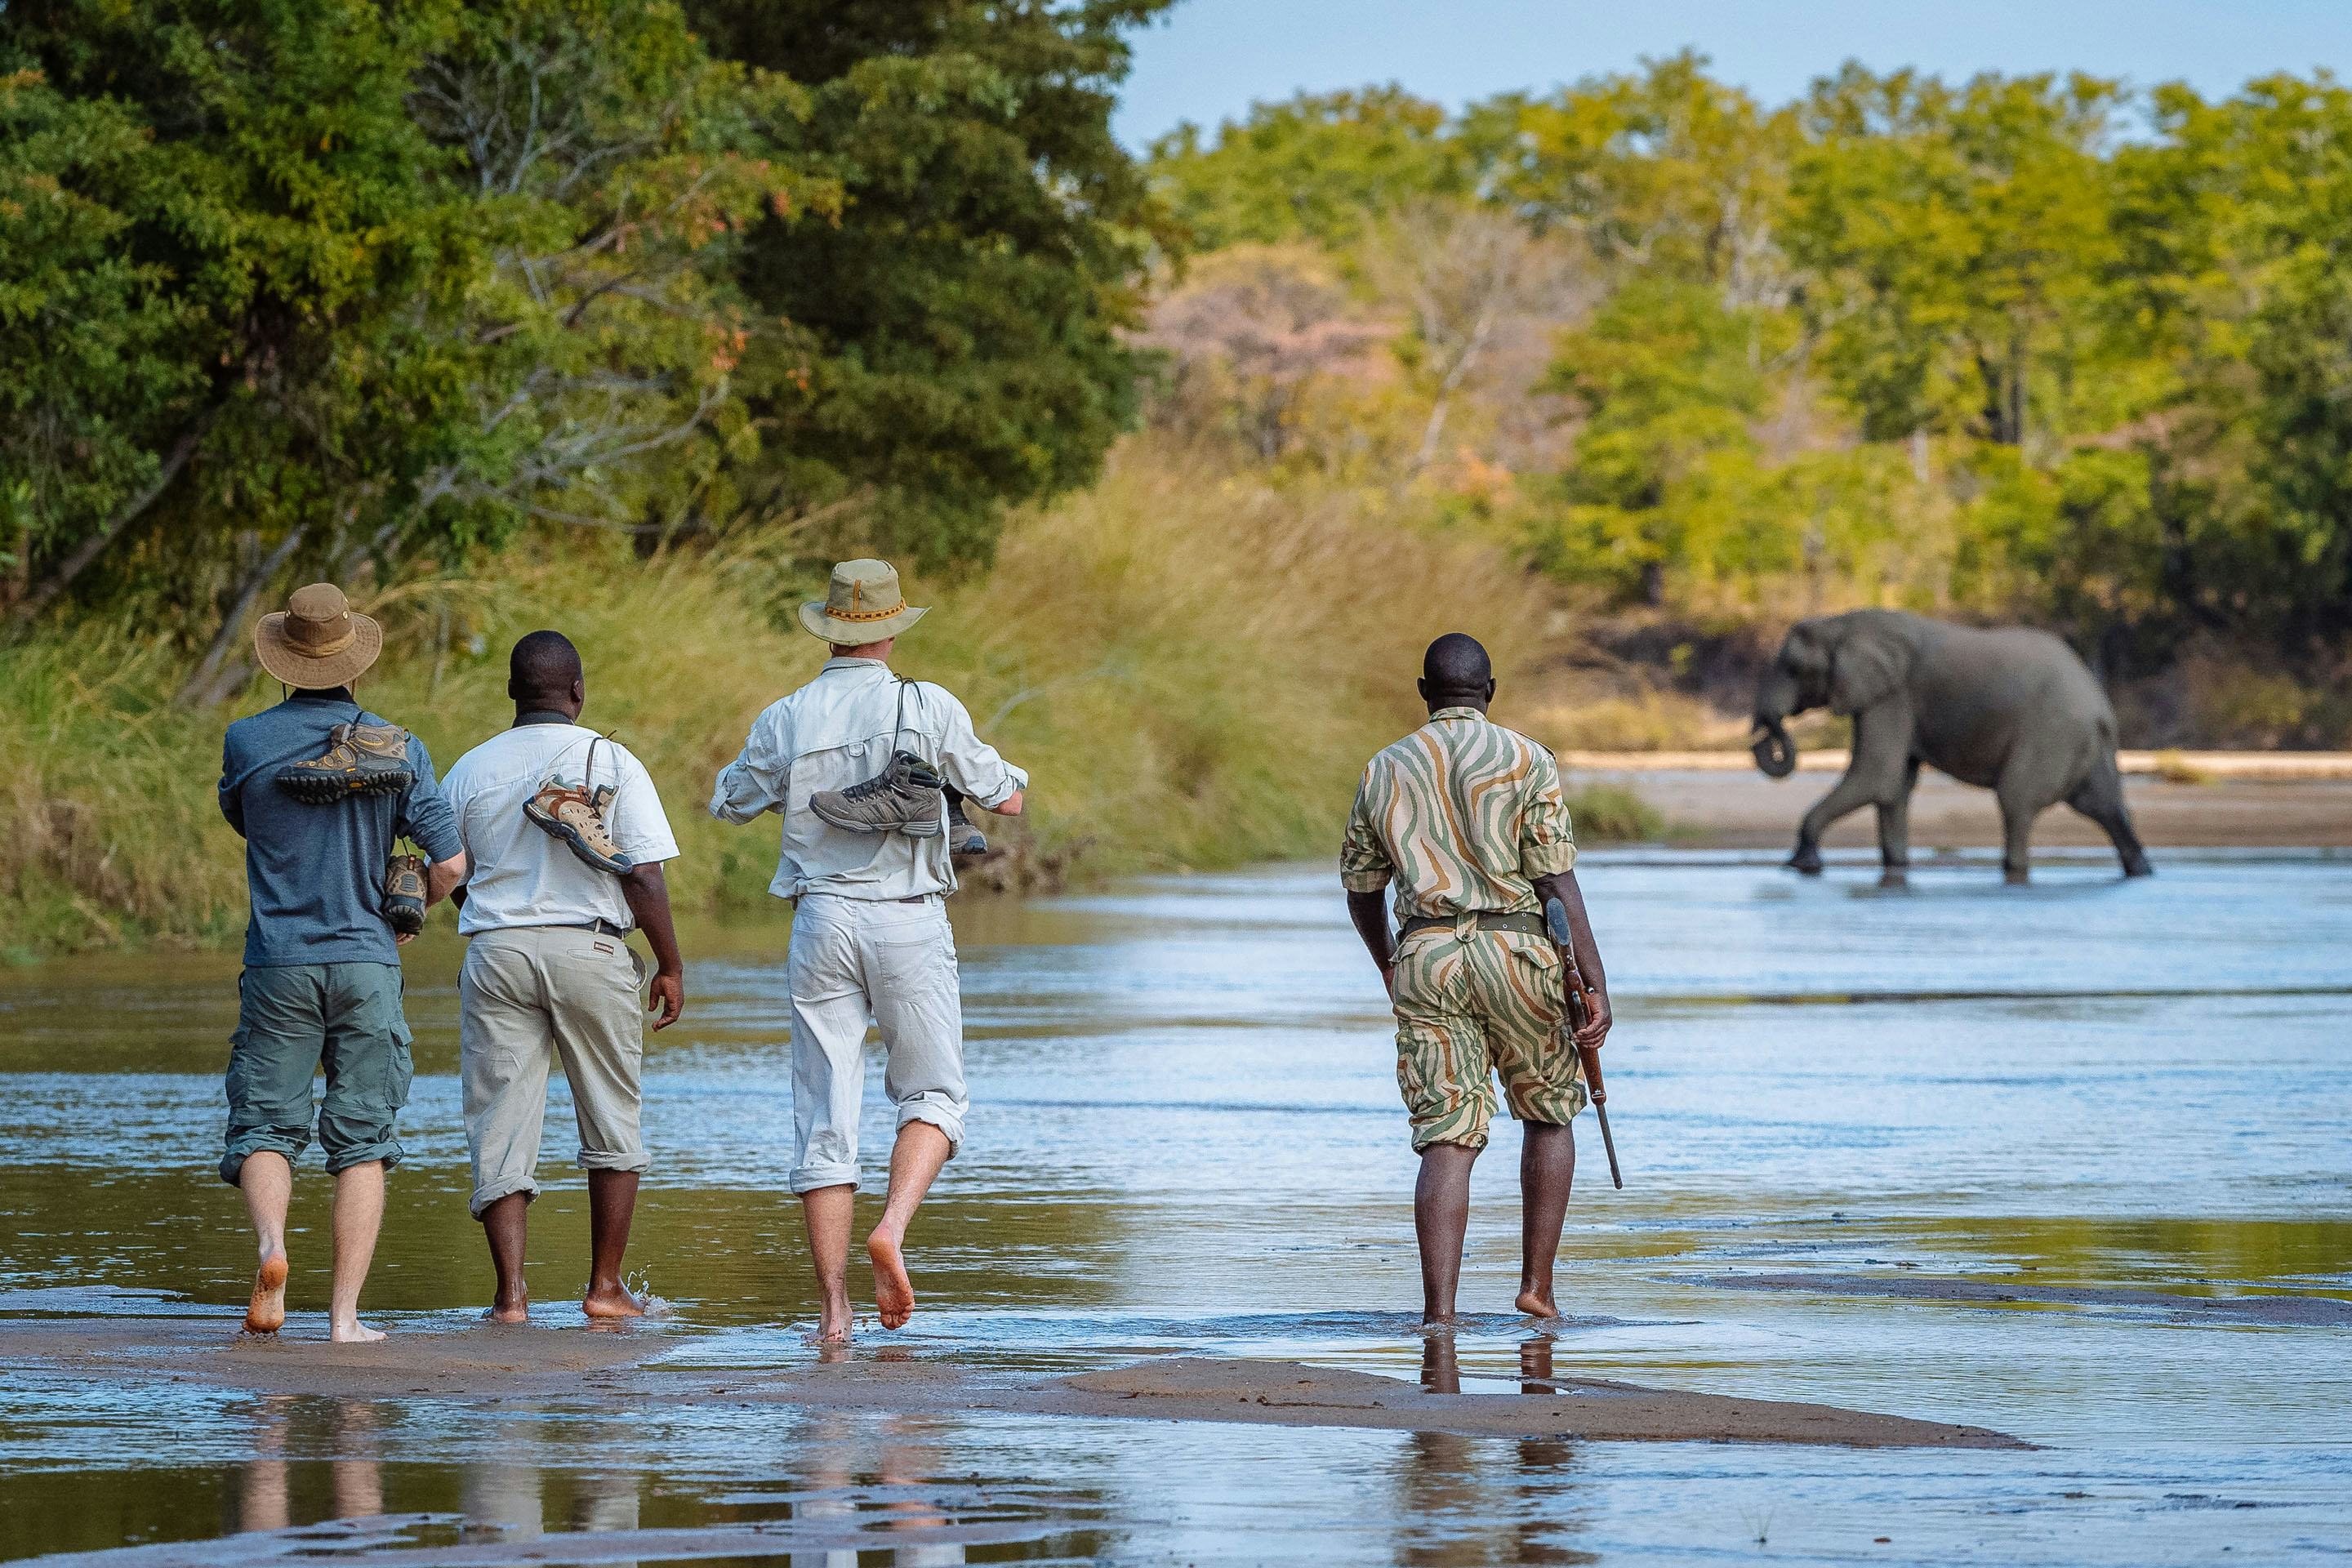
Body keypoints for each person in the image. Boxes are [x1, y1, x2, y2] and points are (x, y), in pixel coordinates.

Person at [710, 559, 1027, 1343]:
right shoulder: (928, 705)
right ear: (890, 628)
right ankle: (890, 1229)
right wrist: (959, 788)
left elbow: (730, 802)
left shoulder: (785, 716)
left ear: (828, 629)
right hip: (909, 917)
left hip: (821, 920)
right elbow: (1009, 797)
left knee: (824, 1117)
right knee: (934, 1096)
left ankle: (833, 1312)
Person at [1340, 632, 1614, 1327]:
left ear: (1425, 693)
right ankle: (1536, 1289)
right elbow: (1554, 875)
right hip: (1519, 952)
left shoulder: (1384, 767)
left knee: (1446, 1134)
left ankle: (1440, 1313)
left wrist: (1389, 959)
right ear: (1488, 692)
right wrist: (1595, 980)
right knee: (1549, 1113)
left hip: (1428, 956)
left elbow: (1361, 888)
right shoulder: (1528, 758)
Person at [216, 582, 466, 1342]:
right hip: (366, 960)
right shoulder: (401, 745)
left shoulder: (246, 741)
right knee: (363, 1140)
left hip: (278, 962)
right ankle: (345, 1318)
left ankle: (271, 1250)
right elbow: (451, 864)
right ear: (354, 659)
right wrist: (408, 909)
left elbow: (242, 819)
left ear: (283, 662)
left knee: (264, 1122)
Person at [439, 631, 685, 1322]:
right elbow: (641, 871)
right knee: (611, 1116)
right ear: (578, 693)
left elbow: (451, 873)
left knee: (500, 1122)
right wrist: (668, 963)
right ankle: (604, 1290)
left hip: (496, 953)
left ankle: (510, 1297)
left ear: (513, 693)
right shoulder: (609, 760)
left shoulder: (469, 770)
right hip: (592, 949)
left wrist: (488, 917)